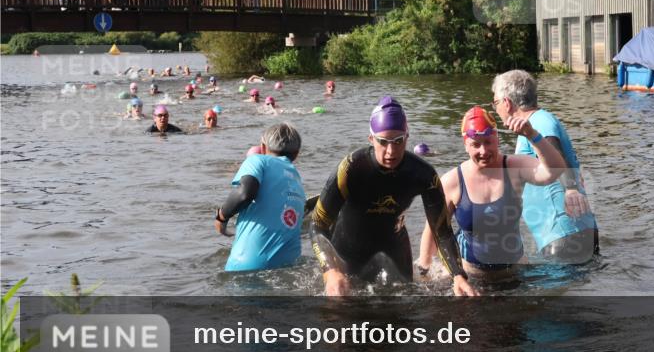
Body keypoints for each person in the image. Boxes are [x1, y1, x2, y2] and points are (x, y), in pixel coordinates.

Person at [311, 96, 477, 297]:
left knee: (403, 318)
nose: (391, 151)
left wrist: (458, 276)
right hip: (348, 250)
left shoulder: (422, 174)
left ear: (407, 137)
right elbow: (317, 224)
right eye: (383, 142)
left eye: (398, 141)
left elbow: (441, 230)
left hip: (395, 249)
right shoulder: (351, 169)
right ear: (371, 139)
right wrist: (330, 270)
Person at [416, 106, 565, 277]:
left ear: (497, 139)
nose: (483, 151)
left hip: (515, 271)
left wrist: (532, 135)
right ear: (466, 145)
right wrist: (425, 272)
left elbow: (555, 171)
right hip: (472, 275)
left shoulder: (514, 167)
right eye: (476, 145)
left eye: (488, 142)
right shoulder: (452, 182)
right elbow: (434, 230)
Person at [491, 70, 599, 262]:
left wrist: (571, 189)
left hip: (563, 233)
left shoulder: (539, 121)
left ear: (506, 103)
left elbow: (555, 152)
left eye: (496, 102)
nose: (495, 108)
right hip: (571, 231)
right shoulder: (537, 121)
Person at [213, 123, 306, 271]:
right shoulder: (297, 179)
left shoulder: (257, 160)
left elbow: (245, 193)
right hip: (288, 266)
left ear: (263, 147)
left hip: (247, 267)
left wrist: (221, 217)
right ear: (296, 154)